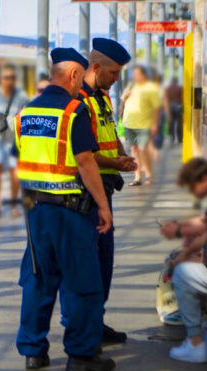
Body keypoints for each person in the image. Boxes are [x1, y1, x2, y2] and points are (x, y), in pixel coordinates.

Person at [14, 48, 115, 371]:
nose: (79, 85)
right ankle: (82, 356)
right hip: (71, 213)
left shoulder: (25, 112)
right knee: (82, 283)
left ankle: (33, 351)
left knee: (38, 280)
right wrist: (103, 206)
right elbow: (85, 161)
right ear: (73, 75)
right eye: (79, 78)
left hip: (35, 212)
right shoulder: (74, 111)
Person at [64, 37, 137, 345]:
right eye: (114, 73)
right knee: (85, 264)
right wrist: (115, 163)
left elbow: (111, 132)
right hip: (85, 195)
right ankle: (79, 325)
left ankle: (96, 319)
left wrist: (122, 154)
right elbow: (86, 154)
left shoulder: (103, 98)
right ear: (96, 67)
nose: (117, 78)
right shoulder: (79, 100)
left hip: (104, 190)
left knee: (103, 263)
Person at [160, 158, 207, 363]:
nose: (192, 192)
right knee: (182, 261)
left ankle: (196, 342)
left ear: (205, 178)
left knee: (181, 274)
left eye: (193, 186)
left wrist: (183, 244)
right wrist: (187, 249)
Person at [0, 64, 29, 217]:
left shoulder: (21, 95)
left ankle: (14, 205)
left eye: (12, 78)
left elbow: (26, 115)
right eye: (6, 77)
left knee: (15, 172)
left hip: (14, 140)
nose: (9, 81)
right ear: (1, 79)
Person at [120, 65, 161, 186]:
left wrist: (155, 124)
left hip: (144, 124)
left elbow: (157, 107)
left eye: (137, 74)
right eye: (134, 74)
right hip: (129, 123)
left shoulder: (150, 88)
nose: (135, 76)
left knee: (143, 149)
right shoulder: (131, 86)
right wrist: (125, 97)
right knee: (134, 150)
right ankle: (137, 176)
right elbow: (123, 101)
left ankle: (148, 174)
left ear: (144, 75)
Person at [165, 77, 183, 145]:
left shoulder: (168, 89)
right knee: (179, 122)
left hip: (170, 106)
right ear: (177, 81)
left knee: (171, 123)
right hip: (178, 105)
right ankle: (179, 138)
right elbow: (182, 98)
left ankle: (172, 137)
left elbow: (166, 99)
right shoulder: (179, 88)